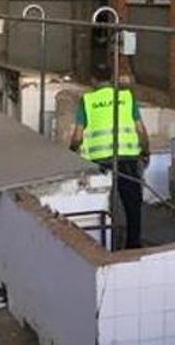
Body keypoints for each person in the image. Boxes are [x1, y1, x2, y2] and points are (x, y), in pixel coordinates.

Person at [70, 65, 150, 249]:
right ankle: (133, 244)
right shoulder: (126, 98)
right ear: (112, 77)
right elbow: (140, 129)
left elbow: (77, 136)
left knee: (99, 200)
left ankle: (101, 244)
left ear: (93, 80)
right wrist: (145, 151)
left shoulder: (87, 101)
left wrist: (71, 151)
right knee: (132, 203)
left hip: (99, 161)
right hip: (128, 158)